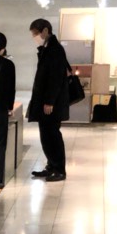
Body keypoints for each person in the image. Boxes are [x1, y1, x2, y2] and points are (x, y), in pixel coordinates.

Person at [26, 17, 71, 181]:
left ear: (45, 31)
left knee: (52, 135)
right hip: (45, 101)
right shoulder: (46, 48)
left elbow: (55, 78)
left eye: (36, 33)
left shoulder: (55, 49)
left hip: (52, 103)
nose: (35, 37)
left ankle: (59, 169)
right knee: (46, 135)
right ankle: (51, 166)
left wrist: (50, 101)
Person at [0, 31, 16, 189]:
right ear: (3, 48)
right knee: (0, 144)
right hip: (1, 109)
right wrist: (9, 107)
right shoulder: (8, 65)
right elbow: (10, 89)